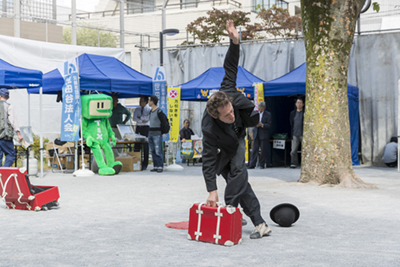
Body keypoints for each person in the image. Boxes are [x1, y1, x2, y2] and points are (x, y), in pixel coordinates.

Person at [201, 20, 271, 239]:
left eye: (231, 110)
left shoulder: (227, 90)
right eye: (227, 115)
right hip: (224, 146)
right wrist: (211, 189)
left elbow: (230, 65)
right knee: (236, 180)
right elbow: (208, 158)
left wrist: (235, 41)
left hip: (240, 136)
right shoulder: (209, 127)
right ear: (215, 116)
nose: (231, 115)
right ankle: (259, 223)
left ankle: (232, 209)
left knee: (239, 172)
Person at [0, 88, 24, 167]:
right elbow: (13, 121)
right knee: (11, 155)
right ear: (8, 97)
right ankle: (3, 173)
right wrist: (19, 134)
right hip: (5, 136)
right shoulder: (9, 107)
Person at [248, 102, 272, 169]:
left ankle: (262, 164)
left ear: (264, 108)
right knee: (254, 150)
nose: (260, 110)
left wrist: (262, 125)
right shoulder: (256, 113)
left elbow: (269, 124)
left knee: (263, 150)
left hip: (263, 134)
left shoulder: (268, 114)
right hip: (256, 133)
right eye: (259, 108)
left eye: (261, 109)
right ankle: (252, 164)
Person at [132, 96, 152, 171]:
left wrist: (140, 118)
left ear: (146, 102)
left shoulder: (149, 109)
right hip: (138, 127)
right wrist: (141, 120)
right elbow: (134, 118)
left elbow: (147, 119)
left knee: (145, 146)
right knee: (137, 145)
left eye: (141, 101)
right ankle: (136, 162)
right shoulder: (137, 109)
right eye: (139, 100)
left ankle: (145, 164)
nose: (140, 102)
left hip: (146, 128)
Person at [148, 95, 164, 173]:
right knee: (152, 150)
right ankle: (156, 166)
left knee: (158, 150)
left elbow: (163, 122)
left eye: (149, 100)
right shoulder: (150, 111)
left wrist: (162, 131)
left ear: (152, 102)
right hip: (150, 133)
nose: (148, 102)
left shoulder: (159, 111)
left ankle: (160, 166)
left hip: (157, 133)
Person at [289, 98, 304, 169]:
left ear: (303, 104)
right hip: (295, 134)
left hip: (303, 134)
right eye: (298, 103)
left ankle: (304, 164)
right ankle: (294, 163)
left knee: (304, 150)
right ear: (295, 104)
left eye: (300, 103)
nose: (299, 104)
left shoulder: (304, 113)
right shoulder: (292, 113)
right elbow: (291, 123)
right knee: (293, 150)